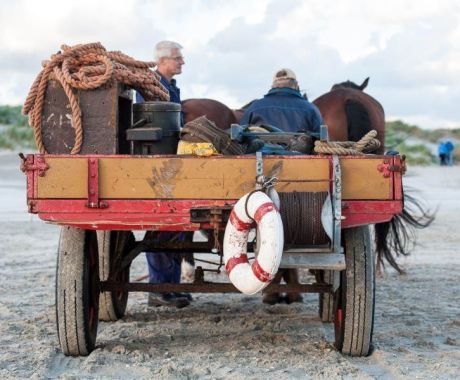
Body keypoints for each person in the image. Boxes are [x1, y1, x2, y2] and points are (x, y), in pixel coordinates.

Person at [240, 68, 324, 305]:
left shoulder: (255, 107)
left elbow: (238, 140)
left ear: (273, 86)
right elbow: (321, 143)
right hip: (302, 186)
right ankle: (292, 288)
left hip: (261, 182)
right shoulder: (310, 109)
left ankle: (271, 288)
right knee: (291, 227)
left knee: (266, 230)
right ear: (296, 86)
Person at [138, 41, 191, 308]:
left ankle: (169, 286)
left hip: (171, 161)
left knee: (176, 227)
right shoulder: (150, 87)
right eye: (178, 58)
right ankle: (159, 288)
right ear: (162, 60)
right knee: (162, 226)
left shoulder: (169, 87)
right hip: (156, 164)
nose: (182, 62)